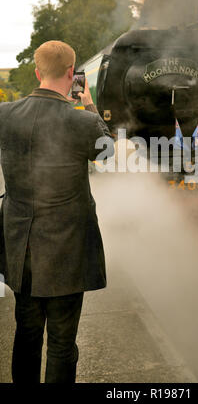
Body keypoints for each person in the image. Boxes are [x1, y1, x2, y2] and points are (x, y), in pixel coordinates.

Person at [0, 40, 114, 383]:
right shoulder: (82, 122)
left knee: (27, 335)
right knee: (62, 344)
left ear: (37, 73)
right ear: (72, 74)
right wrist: (89, 103)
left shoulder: (5, 115)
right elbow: (107, 155)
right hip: (67, 251)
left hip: (20, 248)